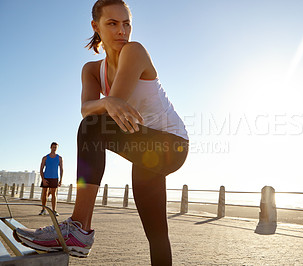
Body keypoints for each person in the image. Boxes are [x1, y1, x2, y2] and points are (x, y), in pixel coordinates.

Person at [14, 0, 189, 265]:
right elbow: (87, 108)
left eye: (127, 23)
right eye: (113, 23)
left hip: (171, 145)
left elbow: (108, 108)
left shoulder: (135, 51)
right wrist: (103, 103)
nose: (122, 31)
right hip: (143, 148)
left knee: (93, 127)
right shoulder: (92, 70)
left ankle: (79, 228)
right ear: (96, 26)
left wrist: (104, 103)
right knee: (156, 233)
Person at [38, 142, 63, 216]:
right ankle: (43, 210)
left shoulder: (59, 158)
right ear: (50, 147)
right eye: (53, 147)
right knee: (44, 193)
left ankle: (54, 210)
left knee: (53, 194)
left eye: (55, 147)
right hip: (46, 177)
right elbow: (41, 169)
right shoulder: (45, 158)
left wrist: (60, 180)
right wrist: (43, 179)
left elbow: (61, 169)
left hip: (55, 178)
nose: (54, 149)